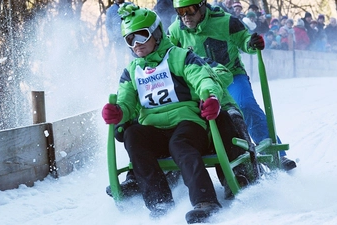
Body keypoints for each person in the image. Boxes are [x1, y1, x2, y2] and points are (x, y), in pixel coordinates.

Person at [102, 4, 250, 223]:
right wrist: (118, 113)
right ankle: (159, 201)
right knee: (133, 135)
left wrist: (210, 97)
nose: (136, 45)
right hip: (154, 128)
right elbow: (126, 102)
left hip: (187, 123)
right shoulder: (132, 71)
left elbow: (202, 78)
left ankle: (205, 200)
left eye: (141, 36)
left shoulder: (178, 57)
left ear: (156, 33)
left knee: (180, 145)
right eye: (130, 40)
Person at [168, 0, 296, 170]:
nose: (185, 17)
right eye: (180, 11)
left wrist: (251, 43)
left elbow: (244, 39)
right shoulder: (175, 30)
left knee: (245, 105)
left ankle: (275, 155)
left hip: (232, 76)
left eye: (189, 10)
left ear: (202, 6)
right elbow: (167, 54)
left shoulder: (225, 21)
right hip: (197, 83)